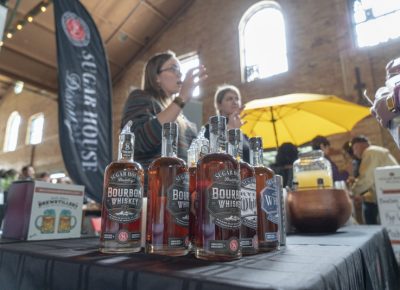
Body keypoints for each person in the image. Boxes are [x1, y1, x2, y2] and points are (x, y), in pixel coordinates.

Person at [121, 50, 207, 193]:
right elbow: (138, 141)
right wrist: (182, 98)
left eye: (180, 70)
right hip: (152, 194)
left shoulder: (182, 117)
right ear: (156, 77)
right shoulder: (141, 97)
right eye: (173, 69)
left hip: (180, 196)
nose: (180, 74)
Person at [350, 135, 398, 224]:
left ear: (362, 145)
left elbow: (366, 178)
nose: (354, 153)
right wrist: (364, 197)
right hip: (391, 195)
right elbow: (374, 183)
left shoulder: (370, 152)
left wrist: (351, 192)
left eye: (355, 148)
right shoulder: (376, 151)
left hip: (391, 198)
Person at [204, 84, 250, 162]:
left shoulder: (244, 136)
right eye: (229, 99)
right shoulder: (209, 130)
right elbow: (213, 158)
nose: (235, 102)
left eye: (237, 99)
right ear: (219, 105)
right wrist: (231, 130)